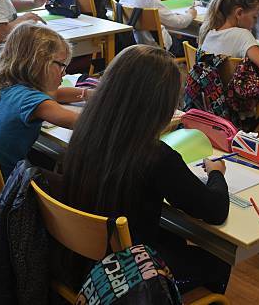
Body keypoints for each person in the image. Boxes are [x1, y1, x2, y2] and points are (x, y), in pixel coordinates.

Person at [61, 45, 231, 294]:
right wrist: (216, 173)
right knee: (219, 260)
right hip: (125, 275)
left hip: (78, 259)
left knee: (172, 237)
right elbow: (215, 210)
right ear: (160, 105)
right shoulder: (154, 156)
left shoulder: (86, 132)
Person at [0, 23, 91, 213]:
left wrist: (88, 93)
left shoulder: (5, 85)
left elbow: (56, 94)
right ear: (39, 62)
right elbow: (83, 122)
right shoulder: (32, 101)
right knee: (80, 188)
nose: (64, 73)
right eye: (61, 65)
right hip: (2, 196)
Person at [199, 0, 259, 125]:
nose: (255, 22)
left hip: (211, 109)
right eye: (255, 17)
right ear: (239, 13)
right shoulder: (243, 35)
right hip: (237, 115)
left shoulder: (209, 33)